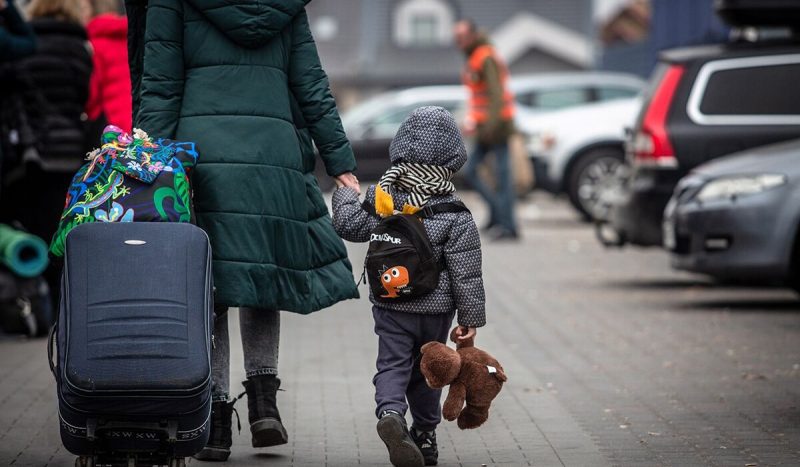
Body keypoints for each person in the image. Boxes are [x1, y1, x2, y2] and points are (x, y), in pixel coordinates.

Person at [127, 0, 361, 461]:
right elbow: (311, 85)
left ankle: (214, 419)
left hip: (202, 158)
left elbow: (160, 86)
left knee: (208, 287)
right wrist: (341, 163)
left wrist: (146, 162)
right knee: (260, 278)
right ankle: (264, 403)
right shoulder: (285, 5)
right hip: (270, 160)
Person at [332, 106, 486, 467]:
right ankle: (425, 436)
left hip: (390, 303)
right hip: (435, 309)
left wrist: (345, 193)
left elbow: (349, 226)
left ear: (400, 145)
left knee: (392, 364)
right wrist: (470, 318)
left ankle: (390, 414)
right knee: (429, 368)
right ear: (453, 154)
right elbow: (466, 272)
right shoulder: (454, 212)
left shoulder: (384, 198)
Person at [0, 0, 92, 310]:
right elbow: (85, 97)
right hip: (68, 149)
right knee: (64, 226)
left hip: (30, 150)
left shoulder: (21, 42)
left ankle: (40, 302)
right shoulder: (79, 46)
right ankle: (68, 303)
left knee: (32, 226)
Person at [454, 19, 519, 241]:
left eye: (461, 37)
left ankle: (508, 225)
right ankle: (498, 217)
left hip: (497, 126)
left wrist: (490, 126)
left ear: (472, 35)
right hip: (487, 126)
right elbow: (478, 96)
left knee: (500, 177)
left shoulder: (485, 56)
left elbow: (496, 95)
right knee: (477, 172)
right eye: (456, 38)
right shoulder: (476, 56)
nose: (458, 42)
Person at [85, 0, 131, 132]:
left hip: (112, 129)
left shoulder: (93, 45)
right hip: (139, 120)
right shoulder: (130, 37)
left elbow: (92, 99)